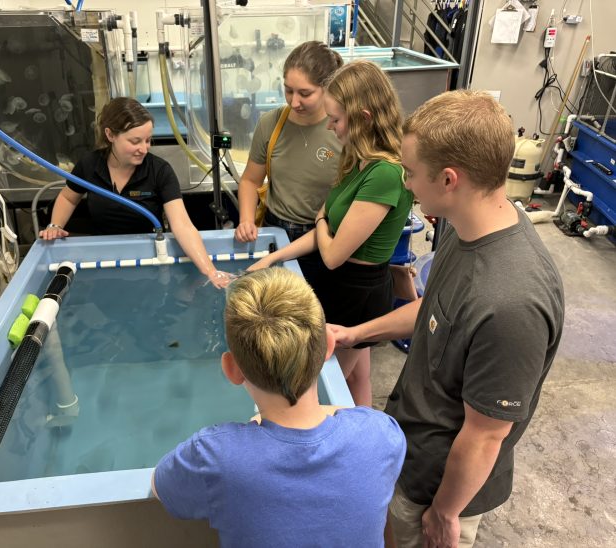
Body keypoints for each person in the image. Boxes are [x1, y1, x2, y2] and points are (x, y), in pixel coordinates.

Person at [329, 90, 565, 548]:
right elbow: (435, 308)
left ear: (450, 179)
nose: (406, 184)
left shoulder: (512, 304)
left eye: (411, 173)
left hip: (435, 487)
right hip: (410, 448)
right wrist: (353, 334)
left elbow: (485, 436)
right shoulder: (464, 229)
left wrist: (445, 511)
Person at [151, 267, 406, 547]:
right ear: (328, 345)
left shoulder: (215, 456)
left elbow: (161, 486)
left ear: (232, 370)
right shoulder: (381, 433)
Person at [249, 60, 413, 407]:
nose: (330, 125)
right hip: (342, 286)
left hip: (358, 294)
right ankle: (366, 447)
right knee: (357, 377)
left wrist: (321, 221)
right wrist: (275, 256)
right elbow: (327, 230)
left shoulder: (385, 172)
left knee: (326, 386)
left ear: (364, 117)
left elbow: (334, 254)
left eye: (336, 119)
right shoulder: (358, 160)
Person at [39, 97, 231, 288]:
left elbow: (182, 225)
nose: (143, 149)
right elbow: (68, 198)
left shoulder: (159, 171)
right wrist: (55, 225)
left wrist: (210, 271)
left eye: (148, 140)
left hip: (149, 262)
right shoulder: (89, 165)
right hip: (103, 260)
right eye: (135, 141)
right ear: (110, 135)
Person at [234, 41, 343, 286]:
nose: (294, 102)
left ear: (328, 88)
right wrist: (246, 219)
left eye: (305, 94)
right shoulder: (271, 124)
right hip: (274, 232)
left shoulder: (343, 131)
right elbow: (251, 180)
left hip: (321, 239)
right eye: (288, 90)